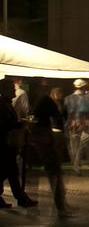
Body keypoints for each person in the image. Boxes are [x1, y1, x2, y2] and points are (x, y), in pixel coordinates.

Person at [30, 92, 72, 217]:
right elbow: (59, 117)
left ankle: (61, 205)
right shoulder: (46, 131)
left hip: (41, 149)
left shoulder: (35, 127)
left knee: (54, 176)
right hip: (49, 152)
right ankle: (61, 208)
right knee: (56, 176)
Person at [0, 78, 37, 209]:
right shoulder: (2, 105)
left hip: (8, 145)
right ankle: (21, 198)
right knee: (7, 171)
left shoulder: (7, 105)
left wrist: (22, 124)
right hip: (4, 145)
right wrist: (20, 125)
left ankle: (21, 198)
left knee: (10, 172)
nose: (14, 90)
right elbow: (5, 125)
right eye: (11, 88)